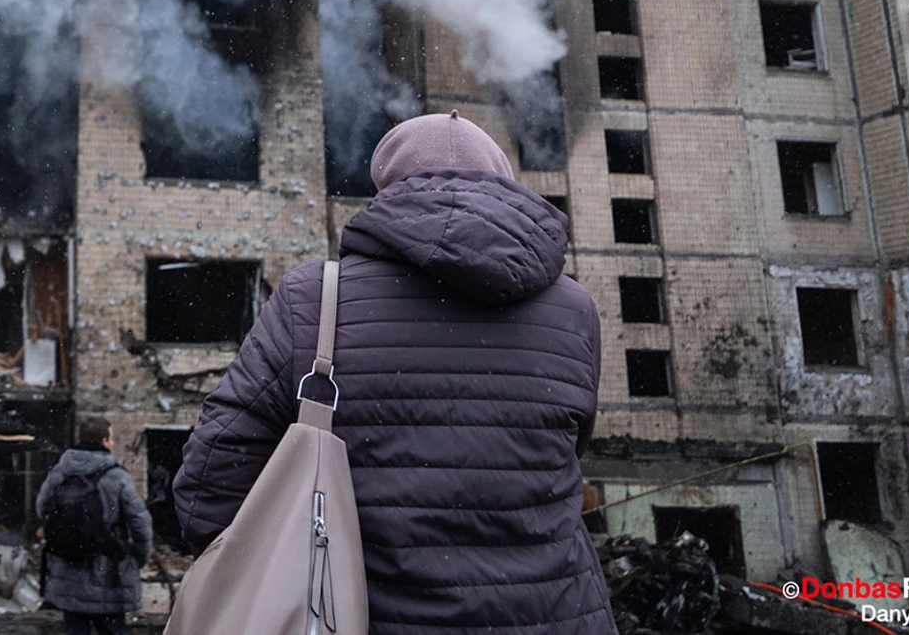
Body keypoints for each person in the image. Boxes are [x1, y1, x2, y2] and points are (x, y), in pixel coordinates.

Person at [174, 111, 614, 635]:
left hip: (365, 617)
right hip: (554, 615)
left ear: (386, 184)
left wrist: (283, 566)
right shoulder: (575, 311)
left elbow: (208, 481)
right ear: (504, 182)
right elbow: (565, 453)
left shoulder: (316, 299)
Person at [36, 417, 154, 635]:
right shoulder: (117, 476)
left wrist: (71, 535)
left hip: (69, 570)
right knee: (112, 629)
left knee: (75, 629)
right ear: (104, 440)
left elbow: (41, 507)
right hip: (108, 573)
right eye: (112, 438)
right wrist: (138, 556)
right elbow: (140, 523)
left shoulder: (61, 472)